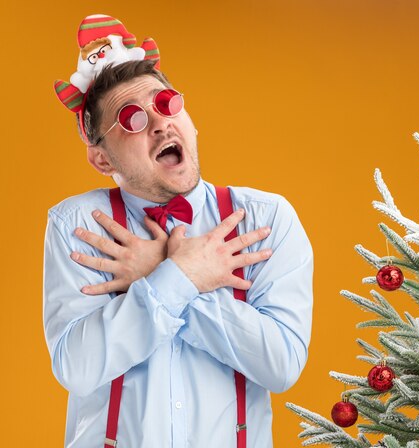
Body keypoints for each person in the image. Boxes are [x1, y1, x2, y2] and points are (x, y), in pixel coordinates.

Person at [44, 15, 313, 448]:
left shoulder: (267, 219)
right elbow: (78, 366)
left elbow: (279, 365)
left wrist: (163, 271)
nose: (160, 123)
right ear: (103, 160)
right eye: (132, 119)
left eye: (166, 103)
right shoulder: (77, 226)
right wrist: (183, 276)